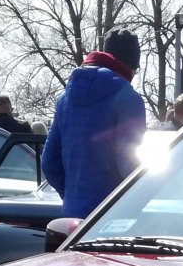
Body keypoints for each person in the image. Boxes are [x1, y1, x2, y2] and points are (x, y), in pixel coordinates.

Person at [40, 28, 147, 218]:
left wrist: (73, 198)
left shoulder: (64, 99)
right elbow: (128, 166)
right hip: (112, 218)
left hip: (72, 219)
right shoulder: (128, 98)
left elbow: (49, 162)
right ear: (131, 66)